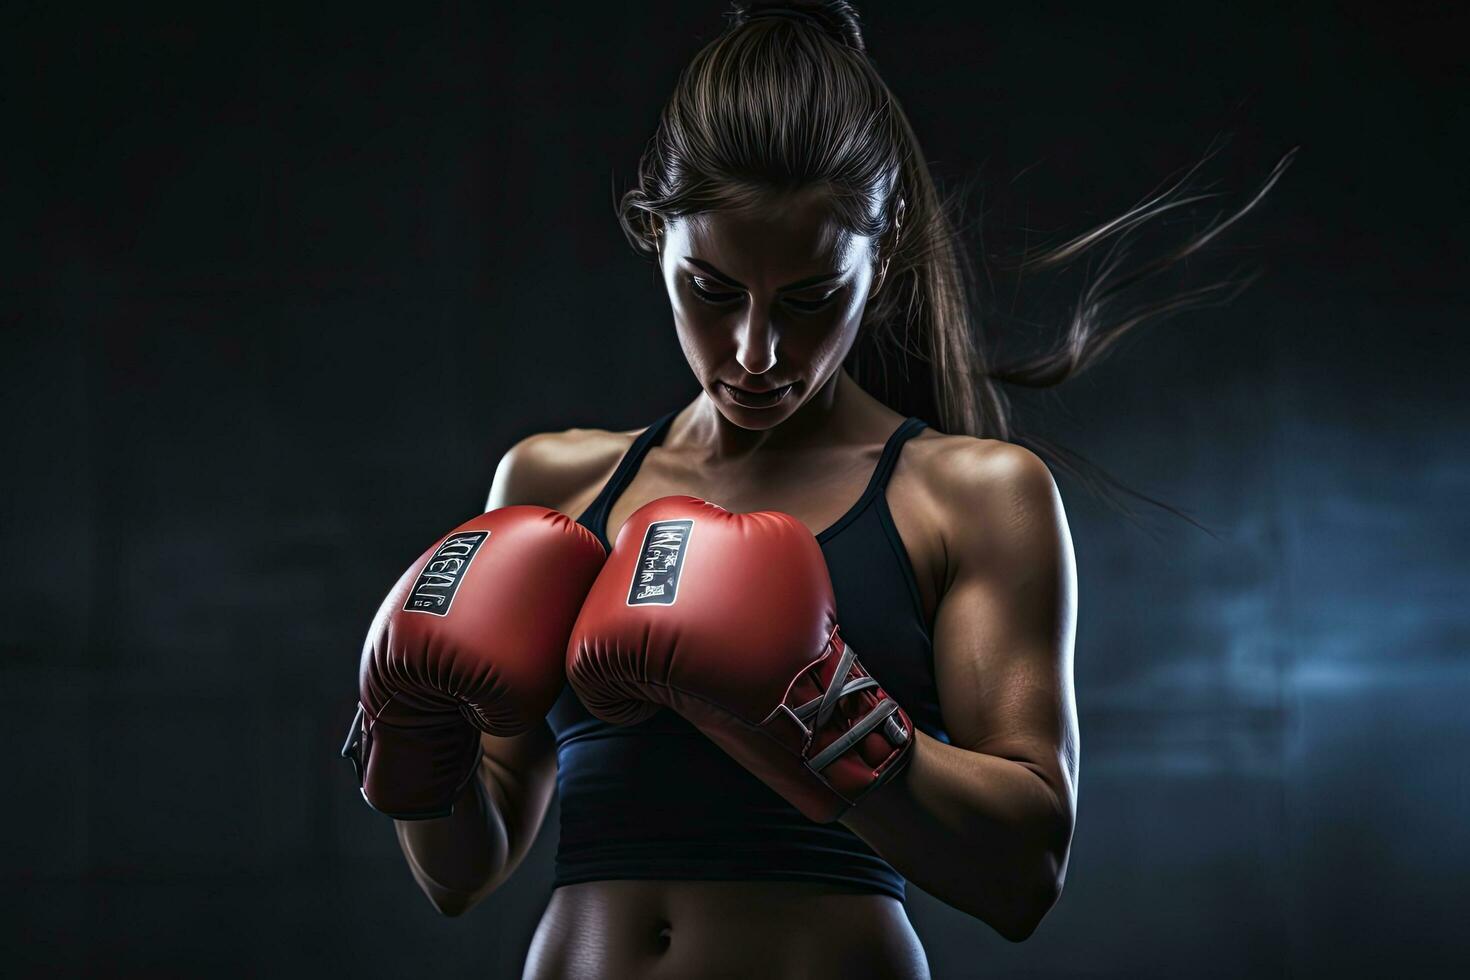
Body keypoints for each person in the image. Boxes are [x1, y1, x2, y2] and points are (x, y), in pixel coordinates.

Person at [344, 3, 1288, 977]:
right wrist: (416, 732)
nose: (756, 351)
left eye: (809, 298)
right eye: (711, 290)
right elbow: (462, 872)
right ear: (651, 235)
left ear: (880, 260)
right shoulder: (550, 480)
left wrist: (815, 707)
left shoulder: (971, 496)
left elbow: (1025, 872)